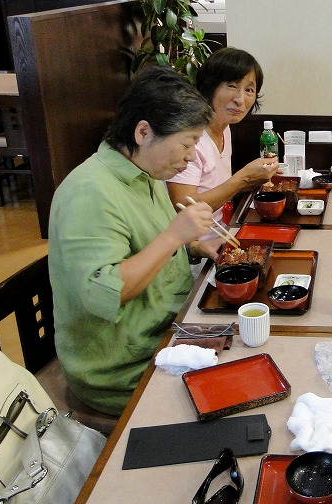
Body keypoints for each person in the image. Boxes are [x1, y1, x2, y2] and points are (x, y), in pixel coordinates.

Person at [48, 65, 215, 415]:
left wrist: (194, 246)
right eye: (187, 144)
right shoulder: (90, 192)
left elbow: (148, 245)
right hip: (123, 368)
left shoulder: (146, 171)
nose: (190, 157)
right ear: (143, 132)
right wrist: (174, 235)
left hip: (170, 330)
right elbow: (105, 292)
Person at [167, 47, 279, 260]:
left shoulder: (225, 128)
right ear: (209, 87)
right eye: (231, 86)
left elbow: (218, 188)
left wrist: (256, 179)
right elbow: (184, 207)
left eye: (249, 90)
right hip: (194, 254)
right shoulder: (190, 139)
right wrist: (243, 178)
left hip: (225, 236)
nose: (240, 99)